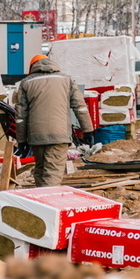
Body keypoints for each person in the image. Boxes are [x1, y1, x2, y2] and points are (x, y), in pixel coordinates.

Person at [16, 54, 94, 187]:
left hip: (36, 136)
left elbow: (21, 115)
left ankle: (41, 202)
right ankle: (47, 202)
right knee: (53, 172)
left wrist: (21, 139)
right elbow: (80, 107)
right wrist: (88, 131)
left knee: (40, 169)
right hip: (59, 134)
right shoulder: (66, 80)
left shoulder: (26, 83)